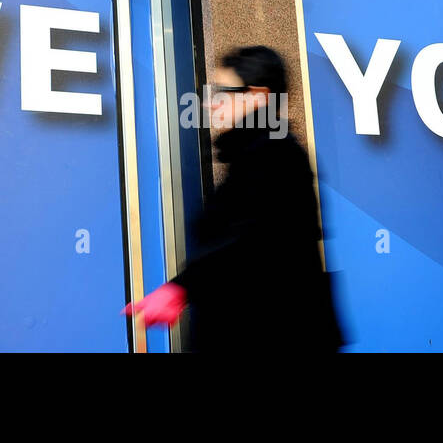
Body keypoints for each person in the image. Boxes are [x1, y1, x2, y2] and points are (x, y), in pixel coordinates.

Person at [123, 46, 344, 352]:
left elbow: (247, 244)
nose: (210, 104)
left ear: (257, 96)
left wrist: (180, 288)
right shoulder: (252, 156)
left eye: (221, 92)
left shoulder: (277, 156)